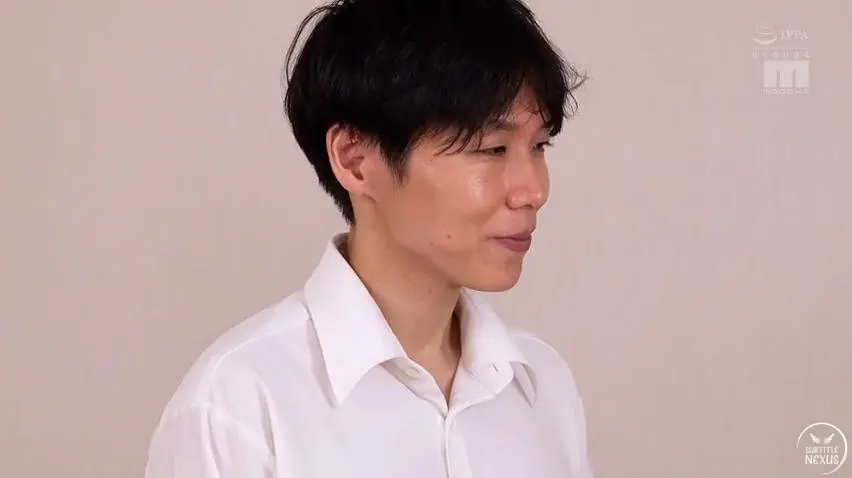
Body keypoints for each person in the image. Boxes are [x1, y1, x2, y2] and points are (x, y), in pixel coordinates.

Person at [144, 0, 592, 476]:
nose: (534, 191)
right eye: (492, 149)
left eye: (539, 146)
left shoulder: (542, 385)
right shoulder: (239, 406)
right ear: (355, 160)